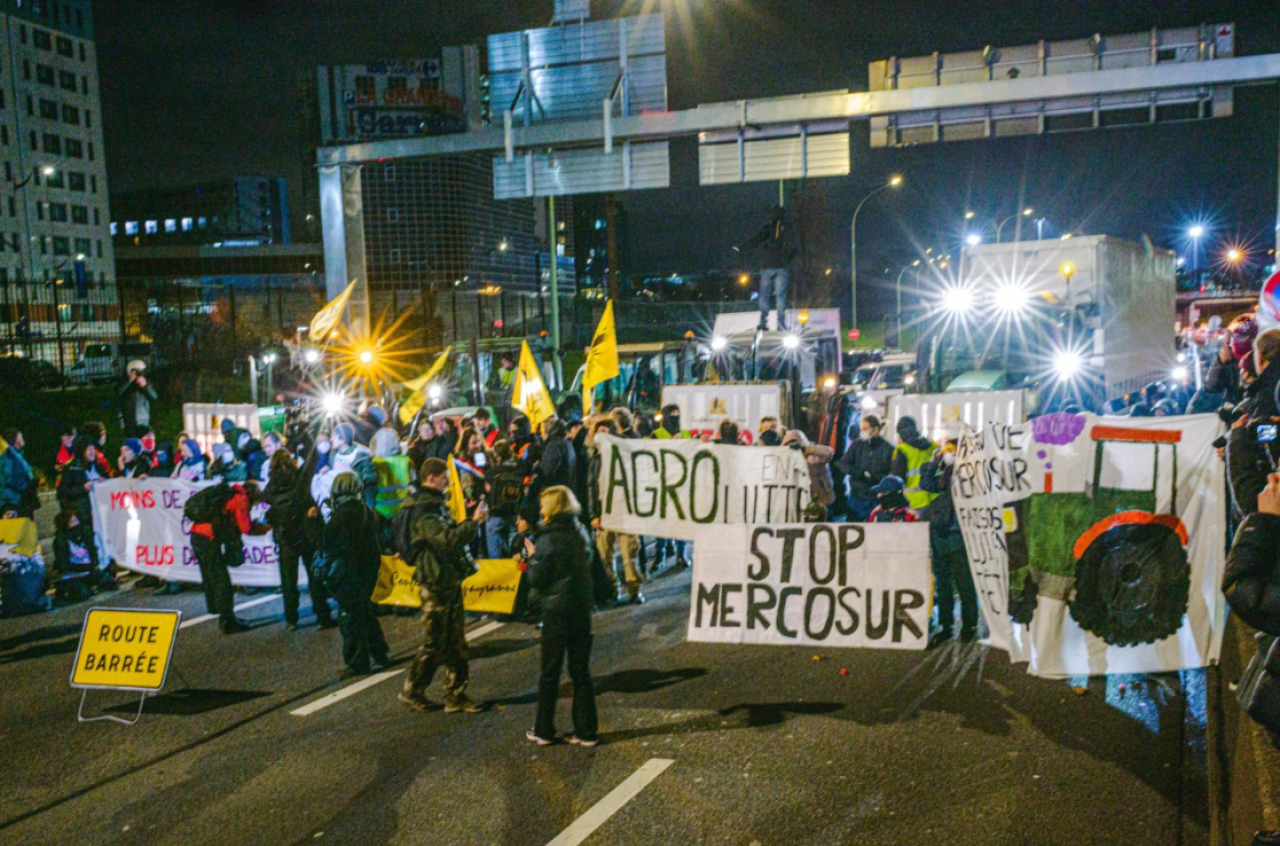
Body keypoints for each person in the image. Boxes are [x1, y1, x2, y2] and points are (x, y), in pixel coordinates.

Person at [398, 457, 488, 713]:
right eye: (444, 477)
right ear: (431, 478)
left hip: (446, 578)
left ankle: (456, 694)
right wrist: (473, 523)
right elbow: (446, 541)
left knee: (456, 640)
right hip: (435, 581)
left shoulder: (433, 503)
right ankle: (413, 689)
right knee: (435, 642)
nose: (448, 482)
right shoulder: (424, 509)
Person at [524, 485, 599, 747]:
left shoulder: (548, 539)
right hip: (581, 609)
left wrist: (531, 557)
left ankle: (544, 729)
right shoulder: (580, 531)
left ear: (552, 508)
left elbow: (538, 578)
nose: (540, 510)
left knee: (550, 672)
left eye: (543, 505)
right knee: (581, 672)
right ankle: (586, 731)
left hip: (556, 612)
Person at [306, 471, 387, 675]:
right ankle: (380, 652)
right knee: (365, 613)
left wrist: (313, 524)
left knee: (350, 618)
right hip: (366, 570)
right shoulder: (365, 510)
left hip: (348, 574)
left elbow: (326, 544)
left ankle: (357, 661)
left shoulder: (341, 516)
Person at [265, 447, 334, 630]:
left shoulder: (271, 487)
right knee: (314, 576)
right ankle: (322, 615)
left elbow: (268, 506)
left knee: (288, 580)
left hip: (285, 537)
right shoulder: (299, 480)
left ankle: (291, 619)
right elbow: (312, 460)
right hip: (305, 534)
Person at [920, 441, 978, 643]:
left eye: (952, 451)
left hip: (958, 536)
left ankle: (969, 625)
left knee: (964, 582)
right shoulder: (944, 475)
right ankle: (946, 625)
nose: (948, 454)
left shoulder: (970, 475)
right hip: (940, 534)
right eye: (946, 451)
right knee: (943, 583)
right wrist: (934, 462)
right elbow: (925, 483)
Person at [587, 418, 643, 604]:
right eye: (598, 432)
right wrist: (594, 514)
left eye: (604, 431)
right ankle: (612, 590)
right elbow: (591, 487)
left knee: (629, 554)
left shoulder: (625, 452)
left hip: (625, 511)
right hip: (604, 512)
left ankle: (634, 590)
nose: (600, 435)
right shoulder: (595, 458)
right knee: (604, 554)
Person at [188, 480, 252, 634]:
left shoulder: (227, 493)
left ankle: (215, 608)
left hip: (196, 535)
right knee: (222, 581)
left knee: (210, 575)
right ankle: (227, 622)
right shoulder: (241, 498)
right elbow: (245, 527)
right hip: (209, 538)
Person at [737, 205, 797, 331]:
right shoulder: (788, 227)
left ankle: (763, 323)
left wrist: (742, 247)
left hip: (767, 266)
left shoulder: (767, 227)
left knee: (764, 296)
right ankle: (781, 324)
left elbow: (756, 240)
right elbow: (795, 247)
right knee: (780, 297)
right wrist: (787, 260)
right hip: (781, 267)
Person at [840, 414, 894, 522]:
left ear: (875, 429)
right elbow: (843, 463)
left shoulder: (888, 448)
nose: (862, 432)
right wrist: (859, 473)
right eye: (861, 429)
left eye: (865, 429)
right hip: (856, 497)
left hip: (876, 499)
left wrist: (877, 479)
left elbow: (892, 474)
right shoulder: (857, 445)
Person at [890, 416, 938, 514]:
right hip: (935, 497)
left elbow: (898, 479)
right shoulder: (931, 445)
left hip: (914, 501)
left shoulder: (902, 450)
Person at [486, 440, 525, 557]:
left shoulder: (492, 472)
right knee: (514, 548)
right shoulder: (519, 470)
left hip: (496, 514)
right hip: (514, 512)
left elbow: (488, 489)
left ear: (497, 456)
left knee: (495, 551)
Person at [783, 429, 835, 513]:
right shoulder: (788, 460)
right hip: (804, 502)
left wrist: (806, 449)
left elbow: (829, 452)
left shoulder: (815, 455)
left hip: (823, 500)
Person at [53, 508, 97, 602]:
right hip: (73, 576)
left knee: (107, 580)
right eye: (73, 521)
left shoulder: (82, 535)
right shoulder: (61, 541)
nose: (77, 523)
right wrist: (86, 567)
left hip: (87, 573)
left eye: (76, 520)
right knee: (82, 594)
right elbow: (65, 565)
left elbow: (92, 552)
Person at [0, 429, 36, 518]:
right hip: (15, 501)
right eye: (21, 437)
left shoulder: (16, 455)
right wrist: (30, 484)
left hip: (20, 499)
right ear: (16, 440)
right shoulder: (10, 457)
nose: (23, 439)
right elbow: (13, 479)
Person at [118, 360, 157, 437]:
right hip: (129, 421)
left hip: (143, 421)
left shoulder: (146, 382)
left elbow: (154, 396)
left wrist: (145, 386)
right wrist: (129, 381)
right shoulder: (124, 383)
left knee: (144, 441)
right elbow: (118, 393)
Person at [536, 419, 576, 493]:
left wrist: (537, 468)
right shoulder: (567, 442)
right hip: (566, 489)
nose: (541, 435)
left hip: (555, 490)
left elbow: (547, 471)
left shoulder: (554, 445)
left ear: (549, 431)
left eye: (542, 432)